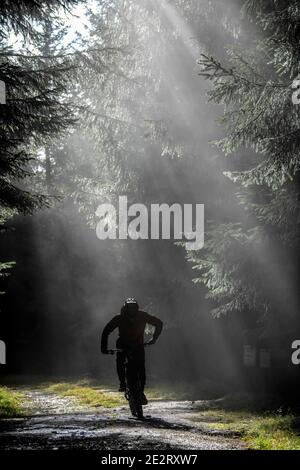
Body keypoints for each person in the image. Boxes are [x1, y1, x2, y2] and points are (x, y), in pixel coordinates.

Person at [101, 298, 163, 404]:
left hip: (138, 345)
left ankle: (141, 392)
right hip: (123, 345)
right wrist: (104, 348)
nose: (131, 311)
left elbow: (159, 323)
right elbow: (106, 331)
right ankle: (122, 383)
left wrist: (154, 338)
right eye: (129, 308)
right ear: (125, 309)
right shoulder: (119, 318)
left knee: (141, 368)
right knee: (120, 361)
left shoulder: (142, 315)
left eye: (134, 308)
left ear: (137, 308)